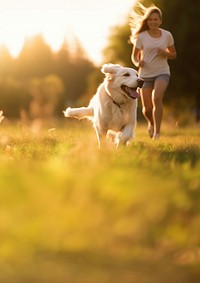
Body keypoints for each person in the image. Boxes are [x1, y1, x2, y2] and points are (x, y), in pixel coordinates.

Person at [130, 3, 177, 139]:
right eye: (150, 19)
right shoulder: (142, 36)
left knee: (157, 98)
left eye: (156, 19)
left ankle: (157, 133)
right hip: (145, 75)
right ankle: (151, 122)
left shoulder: (167, 35)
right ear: (147, 21)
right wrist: (138, 62)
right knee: (147, 109)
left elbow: (174, 54)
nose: (153, 22)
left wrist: (165, 53)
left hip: (162, 72)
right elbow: (134, 56)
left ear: (160, 21)